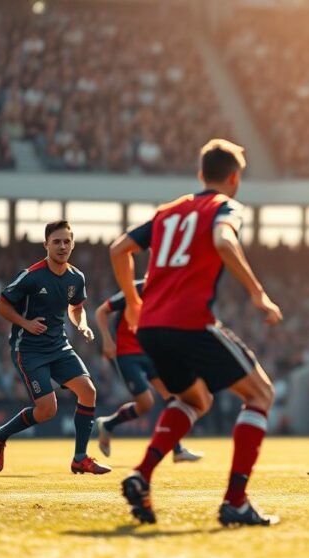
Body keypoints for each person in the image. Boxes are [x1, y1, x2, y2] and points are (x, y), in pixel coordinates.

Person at [109, 139, 284, 526]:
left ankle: (141, 474)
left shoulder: (167, 212)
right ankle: (236, 501)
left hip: (151, 326)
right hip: (189, 321)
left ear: (200, 174)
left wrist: (133, 303)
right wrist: (258, 294)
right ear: (235, 178)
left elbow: (119, 249)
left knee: (195, 399)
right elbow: (224, 240)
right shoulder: (225, 206)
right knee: (261, 394)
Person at [0, 220, 110, 475]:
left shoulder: (76, 278)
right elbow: (0, 305)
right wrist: (25, 323)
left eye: (67, 241)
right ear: (46, 245)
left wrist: (82, 325)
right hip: (29, 349)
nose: (62, 246)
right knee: (47, 411)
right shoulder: (31, 276)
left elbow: (76, 308)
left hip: (59, 347)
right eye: (56, 241)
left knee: (88, 391)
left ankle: (80, 458)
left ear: (72, 243)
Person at [93, 278, 202, 462]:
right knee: (146, 404)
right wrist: (107, 340)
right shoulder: (135, 288)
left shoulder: (170, 292)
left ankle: (177, 450)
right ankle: (109, 424)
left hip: (150, 353)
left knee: (172, 396)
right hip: (127, 354)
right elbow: (101, 311)